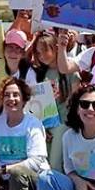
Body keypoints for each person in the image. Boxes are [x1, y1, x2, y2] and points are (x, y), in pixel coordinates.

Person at [17, 29, 77, 169]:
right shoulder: (40, 73)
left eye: (45, 50)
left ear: (56, 48)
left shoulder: (70, 69)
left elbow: (76, 102)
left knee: (56, 165)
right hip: (46, 126)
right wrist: (43, 127)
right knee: (44, 164)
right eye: (38, 52)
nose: (42, 56)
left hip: (64, 125)